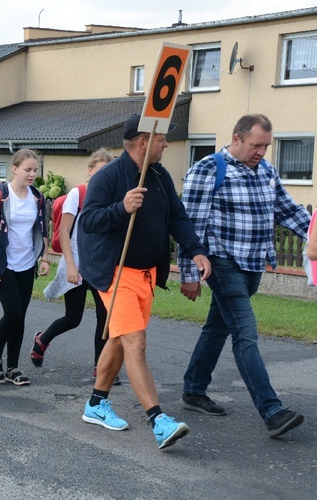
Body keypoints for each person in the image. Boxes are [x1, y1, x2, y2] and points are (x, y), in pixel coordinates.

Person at [76, 114, 211, 449]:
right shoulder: (108, 177)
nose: (166, 144)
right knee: (135, 342)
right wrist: (121, 208)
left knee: (120, 340)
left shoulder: (160, 176)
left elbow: (177, 217)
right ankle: (159, 421)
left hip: (146, 276)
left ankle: (95, 404)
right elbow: (89, 221)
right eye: (163, 139)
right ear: (143, 142)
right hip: (115, 274)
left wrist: (195, 251)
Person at [178, 114, 310, 438]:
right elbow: (188, 226)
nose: (262, 152)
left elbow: (288, 210)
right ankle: (272, 411)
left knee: (217, 327)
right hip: (221, 263)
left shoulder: (266, 171)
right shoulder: (208, 169)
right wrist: (188, 273)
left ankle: (194, 389)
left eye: (266, 146)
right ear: (236, 139)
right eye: (256, 145)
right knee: (245, 334)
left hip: (254, 264)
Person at [32, 148, 118, 384]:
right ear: (90, 170)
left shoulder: (111, 196)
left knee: (105, 319)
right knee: (73, 318)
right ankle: (42, 340)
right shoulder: (77, 194)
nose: (103, 176)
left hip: (101, 267)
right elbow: (64, 231)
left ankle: (100, 368)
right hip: (77, 264)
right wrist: (70, 266)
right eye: (99, 171)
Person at [0, 148, 50, 387]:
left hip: (26, 264)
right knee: (13, 311)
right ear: (15, 169)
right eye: (27, 169)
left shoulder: (37, 197)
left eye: (35, 170)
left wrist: (45, 257)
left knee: (20, 316)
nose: (32, 174)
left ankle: (12, 367)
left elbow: (42, 230)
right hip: (3, 265)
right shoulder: (0, 195)